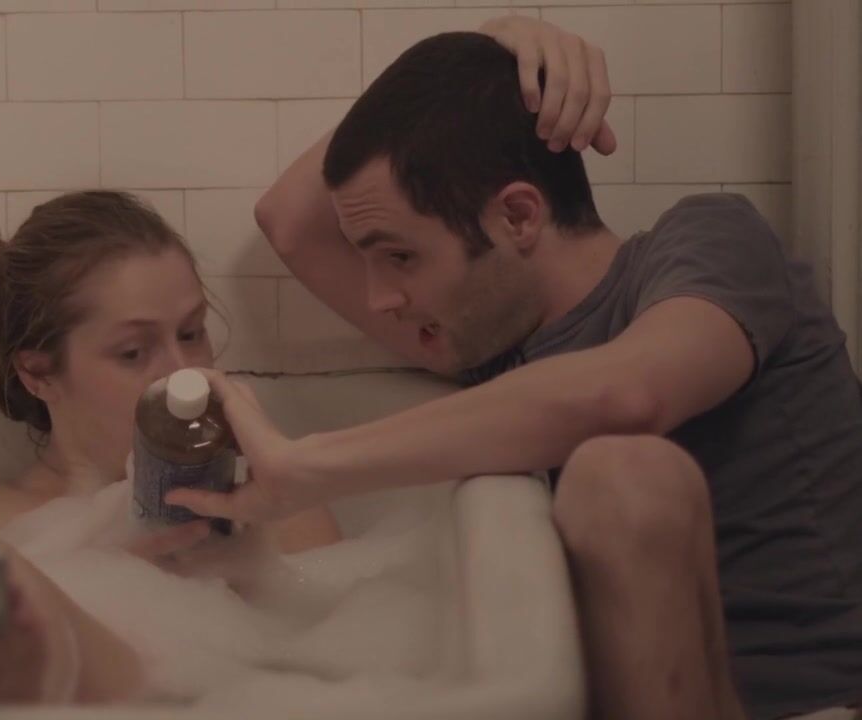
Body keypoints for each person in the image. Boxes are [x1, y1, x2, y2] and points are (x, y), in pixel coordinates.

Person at [165, 16, 862, 720]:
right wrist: (489, 46)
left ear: (520, 217)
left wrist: (309, 465)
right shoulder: (492, 351)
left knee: (619, 475)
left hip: (816, 703)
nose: (378, 300)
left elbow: (628, 392)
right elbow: (289, 219)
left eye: (400, 256)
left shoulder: (711, 240)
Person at [0, 189, 341, 702]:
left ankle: (82, 656)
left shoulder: (282, 509)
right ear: (38, 373)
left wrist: (247, 574)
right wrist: (104, 569)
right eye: (134, 352)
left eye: (192, 333)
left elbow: (338, 682)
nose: (184, 373)